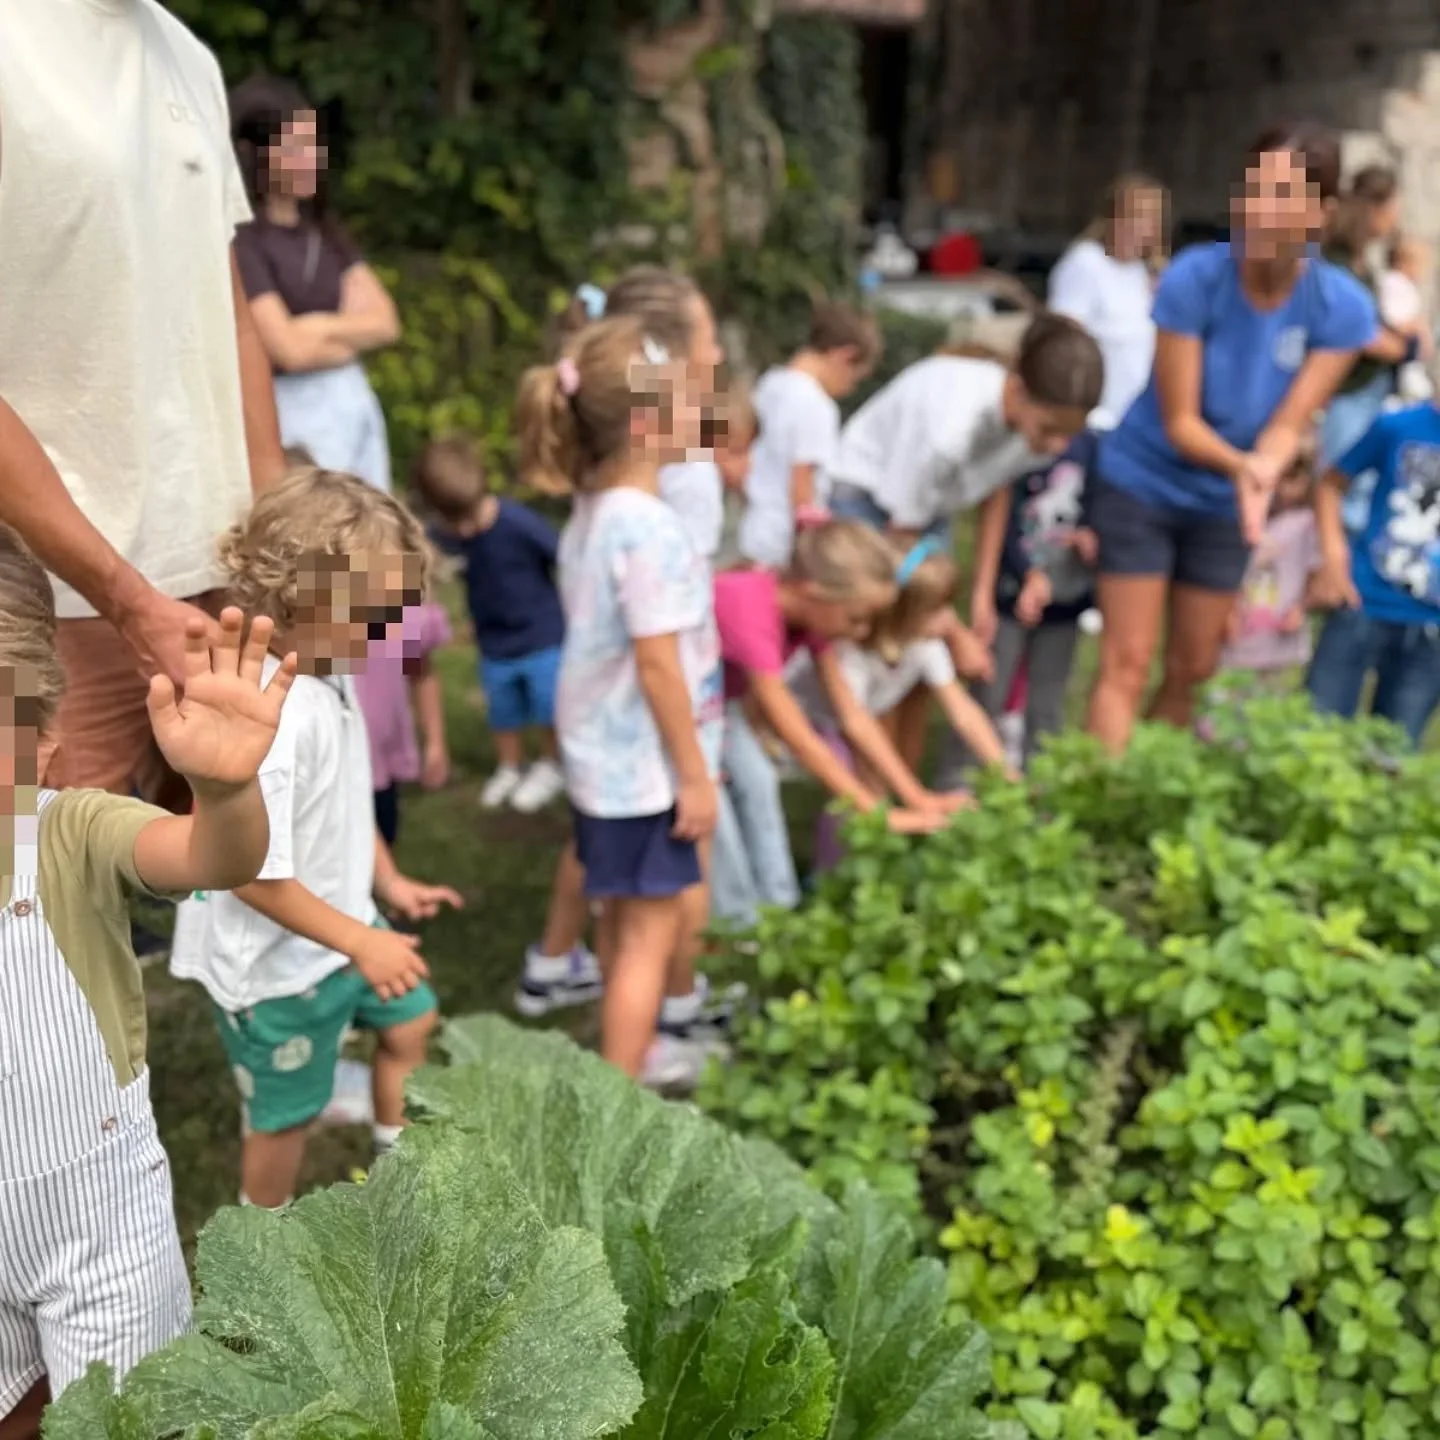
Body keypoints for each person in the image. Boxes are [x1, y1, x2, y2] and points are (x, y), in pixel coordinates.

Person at [0, 531, 296, 1432]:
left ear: (45, 740)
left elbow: (215, 856)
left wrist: (227, 793)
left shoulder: (70, 834)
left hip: (98, 1228)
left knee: (120, 1417)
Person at [0, 0, 287, 814]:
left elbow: (227, 317)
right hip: (47, 594)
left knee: (203, 887)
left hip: (210, 581)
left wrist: (272, 543)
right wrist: (126, 599)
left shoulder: (185, 52)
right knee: (41, 909)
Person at [169, 470, 462, 1210]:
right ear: (303, 603)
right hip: (275, 968)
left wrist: (386, 884)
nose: (388, 634)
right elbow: (246, 873)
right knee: (282, 1120)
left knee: (414, 1017)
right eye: (375, 617)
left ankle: (395, 1183)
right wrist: (362, 941)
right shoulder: (270, 719)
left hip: (341, 924)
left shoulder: (331, 671)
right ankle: (258, 1242)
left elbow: (344, 805)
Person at [1085, 121, 1376, 755]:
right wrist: (1246, 469)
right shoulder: (1195, 277)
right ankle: (1090, 812)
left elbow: (1287, 426)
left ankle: (1146, 797)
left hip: (1223, 500)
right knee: (1127, 661)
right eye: (1251, 189)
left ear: (1320, 213)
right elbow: (1180, 421)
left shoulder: (1343, 309)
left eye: (1280, 194)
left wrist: (1262, 471)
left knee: (1195, 667)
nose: (1256, 209)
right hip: (1145, 481)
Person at [516, 316, 722, 1081]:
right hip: (647, 774)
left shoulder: (594, 512)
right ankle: (622, 1091)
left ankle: (630, 1053)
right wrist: (695, 776)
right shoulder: (650, 528)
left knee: (621, 922)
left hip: (606, 762)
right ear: (646, 422)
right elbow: (660, 666)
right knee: (647, 940)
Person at [826, 315, 1104, 687]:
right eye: (1050, 429)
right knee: (884, 640)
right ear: (1019, 390)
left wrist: (981, 596)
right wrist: (957, 637)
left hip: (929, 504)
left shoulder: (1036, 428)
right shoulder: (949, 429)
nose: (1057, 446)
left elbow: (996, 485)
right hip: (866, 497)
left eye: (1069, 434)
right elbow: (901, 541)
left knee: (917, 661)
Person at [710, 522, 948, 933]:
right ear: (813, 592)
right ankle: (735, 929)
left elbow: (854, 718)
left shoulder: (810, 617)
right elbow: (799, 736)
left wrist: (915, 796)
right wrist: (875, 814)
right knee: (719, 825)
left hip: (715, 705)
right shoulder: (751, 610)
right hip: (667, 712)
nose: (860, 634)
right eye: (856, 619)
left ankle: (777, 912)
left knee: (760, 781)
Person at [785, 538, 1011, 870]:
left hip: (859, 720)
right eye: (937, 610)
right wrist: (915, 796)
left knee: (876, 789)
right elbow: (854, 723)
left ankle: (872, 866)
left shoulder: (924, 643)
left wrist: (1002, 769)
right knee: (849, 791)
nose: (949, 620)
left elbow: (962, 712)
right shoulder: (852, 655)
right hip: (812, 721)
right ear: (902, 613)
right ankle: (832, 874)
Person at [230, 76, 401, 492]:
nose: (310, 159)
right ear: (256, 154)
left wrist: (315, 326)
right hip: (291, 424)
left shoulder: (325, 232)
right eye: (294, 148)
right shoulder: (243, 239)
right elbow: (286, 349)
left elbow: (386, 322)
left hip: (352, 416)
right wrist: (344, 329)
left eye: (313, 145)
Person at [411, 437, 567, 814]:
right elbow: (424, 552)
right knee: (503, 710)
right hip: (494, 643)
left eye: (469, 518)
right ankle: (510, 766)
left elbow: (563, 554)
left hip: (543, 635)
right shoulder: (442, 532)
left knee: (549, 706)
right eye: (453, 522)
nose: (463, 531)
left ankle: (551, 764)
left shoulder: (518, 523)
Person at [1307, 363, 1440, 746]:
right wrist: (1334, 557)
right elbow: (1331, 484)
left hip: (1431, 628)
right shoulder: (1397, 426)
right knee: (1317, 733)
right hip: (1363, 601)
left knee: (1395, 751)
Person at [963, 433, 1101, 770]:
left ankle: (1041, 790)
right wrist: (1025, 573)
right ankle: (960, 785)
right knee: (987, 696)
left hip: (1065, 600)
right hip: (1008, 596)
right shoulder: (1016, 444)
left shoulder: (1094, 449)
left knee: (1047, 704)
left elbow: (1101, 506)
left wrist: (1092, 537)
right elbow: (1002, 519)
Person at [739, 303, 883, 568]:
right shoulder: (816, 405)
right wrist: (811, 551)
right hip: (786, 544)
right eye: (855, 378)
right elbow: (802, 482)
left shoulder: (770, 384)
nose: (849, 388)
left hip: (755, 530)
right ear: (844, 356)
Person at [1048, 174, 1169, 428]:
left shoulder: (1144, 274)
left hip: (1133, 422)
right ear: (1112, 217)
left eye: (1150, 219)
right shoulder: (1085, 263)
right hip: (1095, 421)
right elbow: (1062, 341)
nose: (1139, 227)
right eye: (1133, 216)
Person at [1320, 172, 1421, 470]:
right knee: (1343, 486)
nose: (1396, 218)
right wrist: (1401, 348)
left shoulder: (1359, 262)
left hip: (1368, 391)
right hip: (1348, 392)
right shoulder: (1337, 263)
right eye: (1393, 208)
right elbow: (1351, 328)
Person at [1213, 446, 1320, 696]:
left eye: (1294, 480)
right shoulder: (1233, 517)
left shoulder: (1307, 524)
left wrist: (1301, 607)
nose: (1283, 489)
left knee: (1270, 695)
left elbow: (1315, 570)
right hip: (1238, 622)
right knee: (1224, 689)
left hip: (1281, 624)